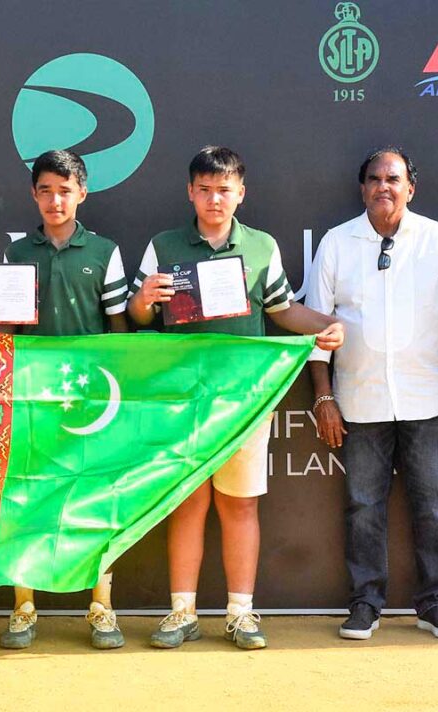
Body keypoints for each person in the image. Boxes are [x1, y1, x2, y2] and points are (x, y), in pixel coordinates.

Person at [127, 146, 344, 649]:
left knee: (240, 506)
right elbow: (138, 319)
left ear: (241, 193)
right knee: (186, 505)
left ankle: (241, 614)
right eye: (204, 189)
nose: (214, 199)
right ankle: (181, 612)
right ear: (190, 192)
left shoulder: (262, 246)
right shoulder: (163, 246)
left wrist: (326, 325)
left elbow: (283, 310)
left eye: (224, 190)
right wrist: (143, 299)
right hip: (181, 400)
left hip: (244, 400)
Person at [307, 147, 438, 641]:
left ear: (410, 188)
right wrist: (323, 397)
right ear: (363, 189)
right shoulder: (337, 243)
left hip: (427, 397)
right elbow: (316, 328)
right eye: (375, 179)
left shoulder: (436, 239)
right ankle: (365, 603)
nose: (384, 186)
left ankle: (435, 603)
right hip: (359, 400)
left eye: (394, 178)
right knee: (363, 506)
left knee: (433, 504)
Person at [0, 149, 129, 650]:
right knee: (27, 500)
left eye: (65, 191)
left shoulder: (105, 252)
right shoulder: (16, 255)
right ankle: (23, 607)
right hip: (31, 398)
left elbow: (120, 330)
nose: (55, 201)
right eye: (45, 191)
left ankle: (101, 607)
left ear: (82, 193)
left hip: (92, 402)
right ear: (33, 194)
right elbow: (8, 332)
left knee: (95, 504)